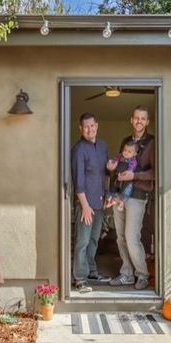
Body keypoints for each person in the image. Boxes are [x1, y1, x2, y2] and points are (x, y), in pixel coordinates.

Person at [108, 106, 155, 290]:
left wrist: (134, 176)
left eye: (143, 118)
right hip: (120, 194)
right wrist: (112, 188)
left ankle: (142, 275)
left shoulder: (152, 142)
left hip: (137, 195)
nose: (139, 121)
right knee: (120, 237)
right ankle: (126, 273)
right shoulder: (125, 141)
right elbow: (121, 165)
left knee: (131, 236)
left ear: (147, 122)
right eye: (136, 118)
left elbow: (154, 172)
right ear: (131, 120)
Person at [71, 113, 111, 293]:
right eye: (85, 127)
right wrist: (85, 206)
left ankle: (92, 272)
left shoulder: (103, 146)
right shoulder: (79, 149)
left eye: (92, 126)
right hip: (85, 204)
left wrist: (107, 195)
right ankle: (80, 279)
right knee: (83, 241)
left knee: (94, 239)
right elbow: (78, 180)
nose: (89, 129)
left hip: (100, 202)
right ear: (81, 129)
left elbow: (105, 174)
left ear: (97, 125)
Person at [105, 141, 139, 211]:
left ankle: (122, 203)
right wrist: (112, 163)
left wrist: (128, 172)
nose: (126, 153)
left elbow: (131, 169)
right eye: (125, 150)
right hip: (118, 177)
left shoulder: (133, 161)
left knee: (127, 190)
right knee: (112, 186)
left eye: (129, 152)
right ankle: (110, 199)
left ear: (134, 154)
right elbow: (115, 161)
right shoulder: (120, 156)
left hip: (126, 179)